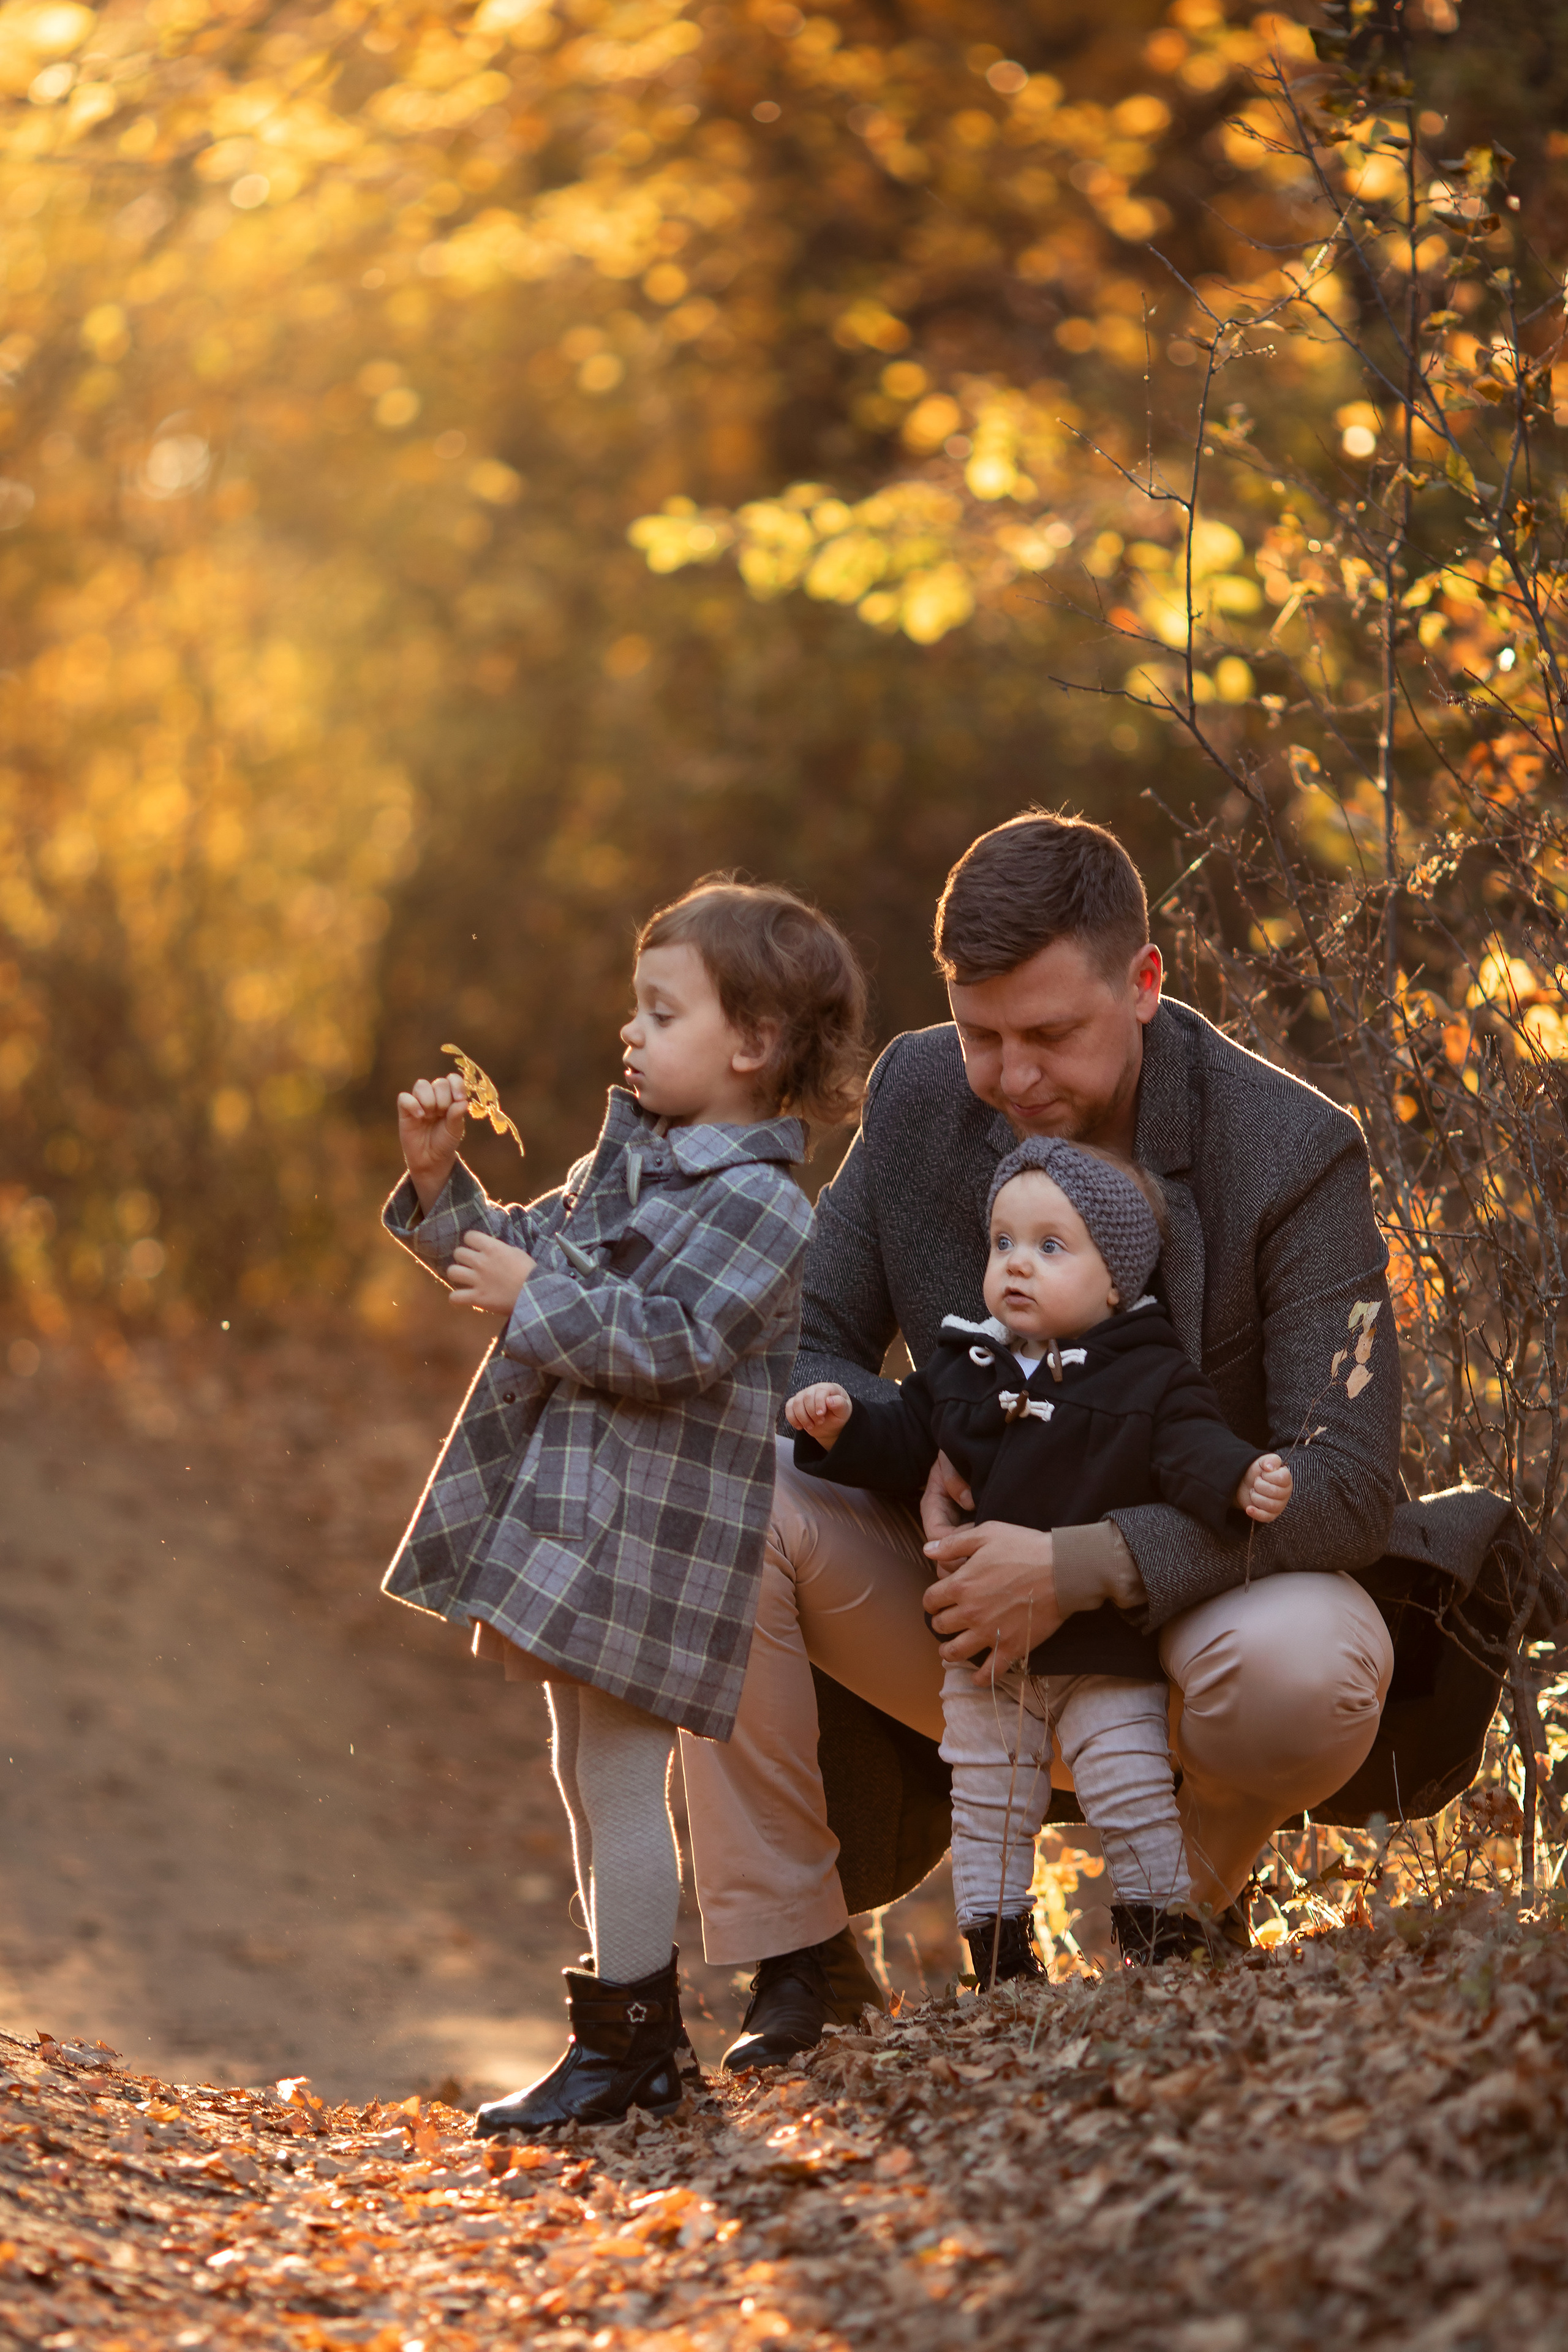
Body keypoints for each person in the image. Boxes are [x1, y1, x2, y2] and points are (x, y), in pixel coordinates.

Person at [679, 807, 1426, 2073]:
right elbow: (793, 1349)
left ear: (1142, 984)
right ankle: (800, 1962)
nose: (1014, 1078)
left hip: (1195, 1622)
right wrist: (914, 1455)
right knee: (719, 1484)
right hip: (965, 1612)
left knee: (1305, 1675)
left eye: (1050, 1036)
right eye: (983, 1036)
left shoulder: (1290, 1150)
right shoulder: (920, 1094)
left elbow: (1346, 1481)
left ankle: (1183, 1906)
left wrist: (1088, 1562)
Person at [381, 878, 869, 2130]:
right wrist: (442, 1189)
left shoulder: (762, 1203)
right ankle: (618, 2030)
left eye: (662, 1012)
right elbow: (521, 1243)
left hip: (659, 1534)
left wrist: (527, 1296)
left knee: (620, 1772)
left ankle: (639, 2047)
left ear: (751, 1045)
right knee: (580, 1764)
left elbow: (676, 1339)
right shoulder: (627, 1157)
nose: (631, 1035)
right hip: (576, 1512)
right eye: (634, 1011)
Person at [786, 1137, 1293, 1981]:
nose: (1018, 1266)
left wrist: (1243, 1476)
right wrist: (843, 1426)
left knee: (1130, 1791)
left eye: (1051, 1248)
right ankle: (999, 1960)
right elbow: (908, 1438)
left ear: (1117, 1281)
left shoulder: (1151, 1376)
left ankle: (1159, 1941)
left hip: (1101, 1651)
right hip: (984, 1654)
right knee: (987, 1806)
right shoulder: (965, 1367)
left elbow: (1193, 1448)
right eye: (1004, 1244)